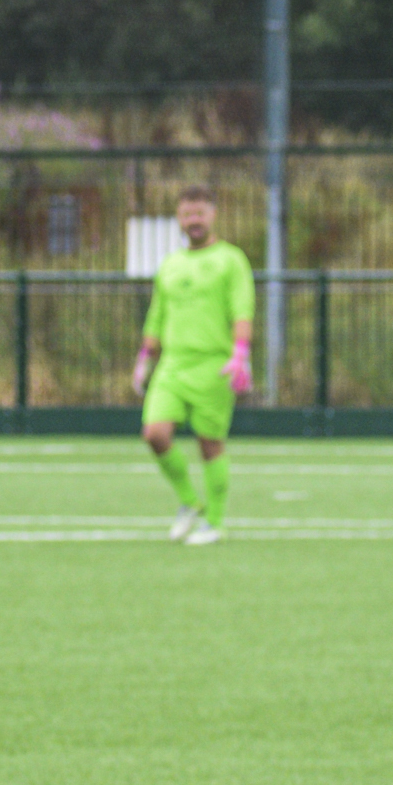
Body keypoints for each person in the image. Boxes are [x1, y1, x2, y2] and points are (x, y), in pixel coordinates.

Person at [134, 184, 256, 546]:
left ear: (212, 214)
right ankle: (190, 502)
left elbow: (242, 309)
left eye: (200, 213)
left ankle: (215, 522)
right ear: (179, 219)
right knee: (154, 434)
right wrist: (144, 358)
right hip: (172, 366)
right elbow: (157, 314)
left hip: (214, 365)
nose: (194, 221)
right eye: (187, 214)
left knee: (210, 444)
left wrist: (240, 354)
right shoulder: (170, 264)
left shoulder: (230, 259)